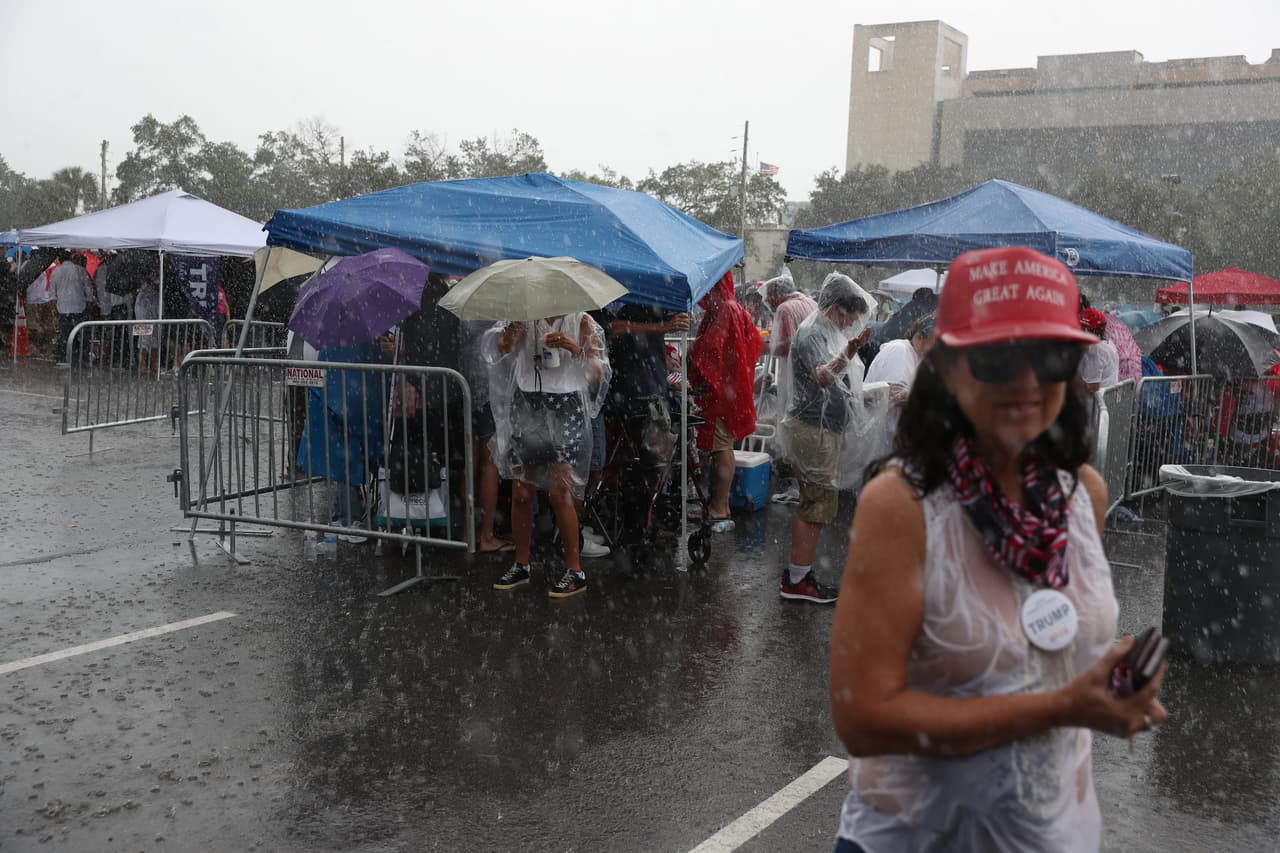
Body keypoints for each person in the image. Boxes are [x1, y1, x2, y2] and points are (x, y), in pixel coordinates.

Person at [829, 246, 1168, 852]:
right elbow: (864, 719)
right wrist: (1062, 706)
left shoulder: (1082, 494)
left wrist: (1107, 676)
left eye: (1050, 353)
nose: (1028, 380)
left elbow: (1040, 646)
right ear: (949, 366)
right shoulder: (902, 505)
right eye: (998, 356)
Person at [489, 312, 610, 599]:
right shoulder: (525, 315)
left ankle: (575, 570)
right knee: (521, 491)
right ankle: (521, 563)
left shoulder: (581, 321)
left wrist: (573, 348)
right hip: (528, 402)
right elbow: (502, 349)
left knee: (559, 493)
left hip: (565, 405)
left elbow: (596, 373)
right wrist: (511, 332)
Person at [778, 273, 874, 604]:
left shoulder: (825, 331)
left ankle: (799, 574)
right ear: (834, 307)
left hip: (822, 430)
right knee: (816, 505)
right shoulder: (812, 334)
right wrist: (849, 351)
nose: (848, 323)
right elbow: (822, 377)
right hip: (813, 430)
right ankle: (796, 580)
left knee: (817, 503)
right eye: (847, 316)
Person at [689, 272, 764, 532]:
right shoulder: (734, 307)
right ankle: (721, 505)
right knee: (724, 445)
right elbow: (755, 343)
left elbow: (710, 349)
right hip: (732, 389)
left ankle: (719, 506)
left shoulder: (724, 310)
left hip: (723, 392)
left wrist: (691, 354)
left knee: (720, 447)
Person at [297, 340, 387, 543]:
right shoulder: (360, 339)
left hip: (338, 399)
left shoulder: (334, 336)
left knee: (343, 461)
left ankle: (343, 516)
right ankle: (347, 518)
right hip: (350, 400)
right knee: (348, 461)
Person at [865, 313, 933, 437]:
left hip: (892, 438)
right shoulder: (900, 350)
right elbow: (893, 392)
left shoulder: (917, 359)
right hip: (878, 436)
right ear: (919, 338)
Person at [50, 254, 94, 364]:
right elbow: (89, 289)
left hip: (63, 308)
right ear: (71, 258)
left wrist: (54, 306)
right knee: (82, 335)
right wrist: (89, 301)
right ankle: (82, 358)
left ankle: (67, 358)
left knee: (66, 335)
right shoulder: (80, 270)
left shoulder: (56, 271)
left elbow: (52, 293)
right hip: (80, 307)